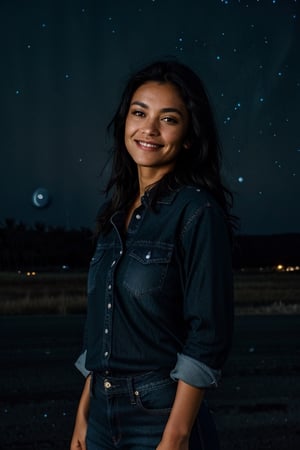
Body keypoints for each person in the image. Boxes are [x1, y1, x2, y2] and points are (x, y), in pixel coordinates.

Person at [70, 60, 234, 450]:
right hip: (99, 414)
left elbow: (208, 335)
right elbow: (104, 326)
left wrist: (175, 438)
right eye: (139, 113)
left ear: (190, 137)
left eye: (169, 119)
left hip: (159, 415)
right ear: (125, 121)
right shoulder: (113, 217)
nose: (149, 129)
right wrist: (83, 416)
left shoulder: (197, 212)